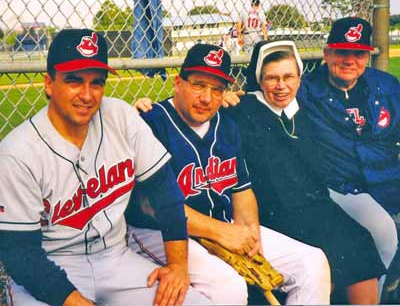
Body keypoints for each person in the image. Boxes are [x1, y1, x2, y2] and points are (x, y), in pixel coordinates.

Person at [0, 29, 210, 306]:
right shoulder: (16, 153)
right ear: (49, 84)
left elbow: (165, 193)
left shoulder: (120, 116)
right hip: (50, 266)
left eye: (96, 83)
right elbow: (20, 253)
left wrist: (178, 267)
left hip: (115, 257)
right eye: (74, 81)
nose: (87, 95)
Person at [128, 43, 332, 305]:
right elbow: (153, 205)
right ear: (178, 83)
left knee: (311, 263)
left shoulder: (227, 124)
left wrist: (251, 235)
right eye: (199, 85)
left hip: (222, 226)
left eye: (217, 89)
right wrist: (223, 232)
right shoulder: (152, 122)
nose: (206, 98)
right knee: (228, 286)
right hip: (158, 232)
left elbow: (241, 190)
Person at [223, 40, 386, 304]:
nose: (281, 85)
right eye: (271, 78)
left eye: (289, 76)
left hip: (315, 204)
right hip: (272, 212)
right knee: (323, 260)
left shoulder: (306, 110)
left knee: (360, 241)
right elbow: (192, 109)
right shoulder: (241, 110)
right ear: (258, 79)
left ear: (299, 77)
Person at [298, 17, 399, 301]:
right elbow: (268, 98)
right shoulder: (305, 89)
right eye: (342, 51)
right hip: (343, 185)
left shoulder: (386, 86)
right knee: (383, 233)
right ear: (327, 53)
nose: (349, 60)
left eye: (358, 53)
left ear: (368, 56)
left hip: (388, 178)